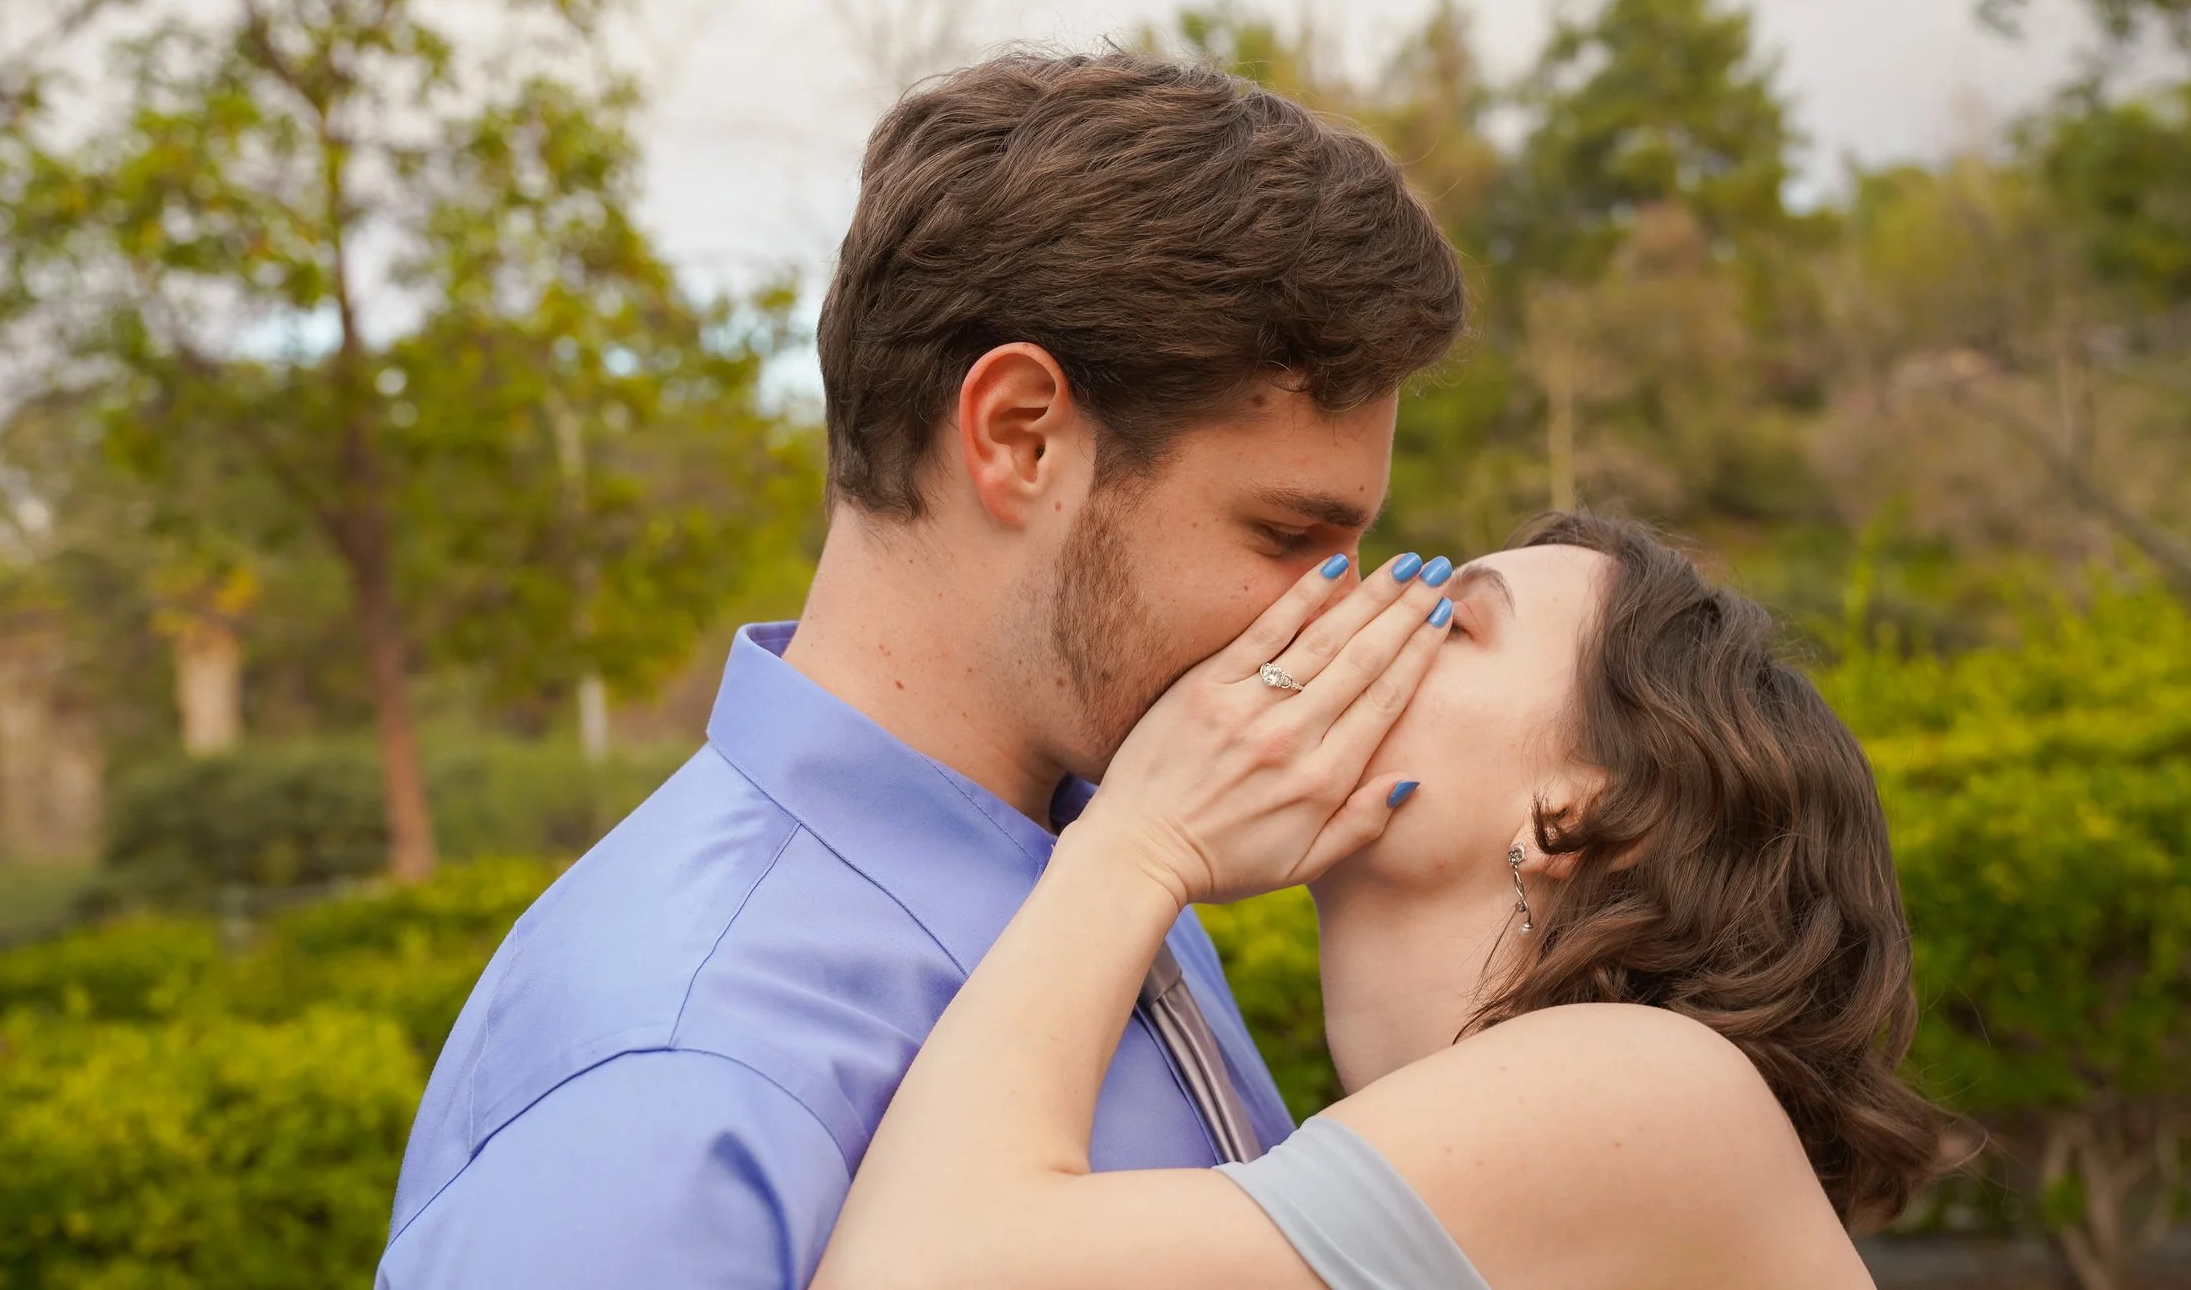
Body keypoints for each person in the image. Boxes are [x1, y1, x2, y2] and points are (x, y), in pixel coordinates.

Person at [376, 50, 1466, 1288]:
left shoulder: (1107, 843)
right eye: (1288, 537)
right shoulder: (674, 1067)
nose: (1344, 614)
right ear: (1020, 436)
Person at [814, 511, 1944, 1290]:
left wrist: (1135, 845)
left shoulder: (1658, 1082)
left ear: (1594, 812)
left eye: (1447, 618)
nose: (1356, 619)